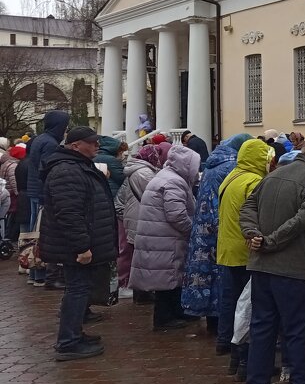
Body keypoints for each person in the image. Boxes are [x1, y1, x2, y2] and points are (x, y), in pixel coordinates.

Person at [240, 133, 305, 384]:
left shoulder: (273, 175)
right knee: (296, 330)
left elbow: (248, 207)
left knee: (262, 329)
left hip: (261, 265)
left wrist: (253, 233)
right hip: (291, 267)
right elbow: (302, 221)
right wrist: (270, 239)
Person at [39, 127, 118, 361]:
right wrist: (82, 246)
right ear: (75, 146)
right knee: (76, 290)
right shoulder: (67, 170)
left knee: (78, 289)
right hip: (75, 245)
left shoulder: (76, 166)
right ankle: (68, 342)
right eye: (91, 142)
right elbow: (69, 213)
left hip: (81, 241)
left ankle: (74, 334)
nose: (97, 146)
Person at [183, 134, 254, 342]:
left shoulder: (214, 164)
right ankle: (228, 332)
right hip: (223, 228)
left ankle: (215, 325)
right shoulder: (232, 167)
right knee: (224, 282)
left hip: (204, 229)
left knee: (209, 279)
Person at [130, 144, 202, 332]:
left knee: (171, 276)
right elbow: (176, 215)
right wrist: (193, 230)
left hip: (160, 237)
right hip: (165, 239)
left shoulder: (166, 177)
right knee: (167, 278)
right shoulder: (174, 181)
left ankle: (175, 312)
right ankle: (164, 318)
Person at [217, 138, 272, 379]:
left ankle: (233, 356)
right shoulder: (254, 181)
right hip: (246, 250)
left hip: (228, 249)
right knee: (250, 308)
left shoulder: (232, 177)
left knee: (233, 304)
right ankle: (246, 362)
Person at [26, 110, 70, 286]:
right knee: (41, 234)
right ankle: (40, 274)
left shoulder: (40, 139)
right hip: (41, 193)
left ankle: (34, 273)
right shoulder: (50, 143)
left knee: (34, 233)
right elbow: (47, 170)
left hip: (34, 191)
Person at [117, 144, 166, 298]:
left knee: (134, 253)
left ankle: (137, 289)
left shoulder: (138, 170)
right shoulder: (144, 173)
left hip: (132, 214)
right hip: (139, 216)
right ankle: (138, 290)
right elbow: (158, 195)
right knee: (138, 255)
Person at [0, 143, 23, 244]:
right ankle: (7, 236)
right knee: (9, 216)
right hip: (10, 194)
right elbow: (14, 181)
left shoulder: (6, 164)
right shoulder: (13, 166)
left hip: (7, 191)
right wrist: (17, 193)